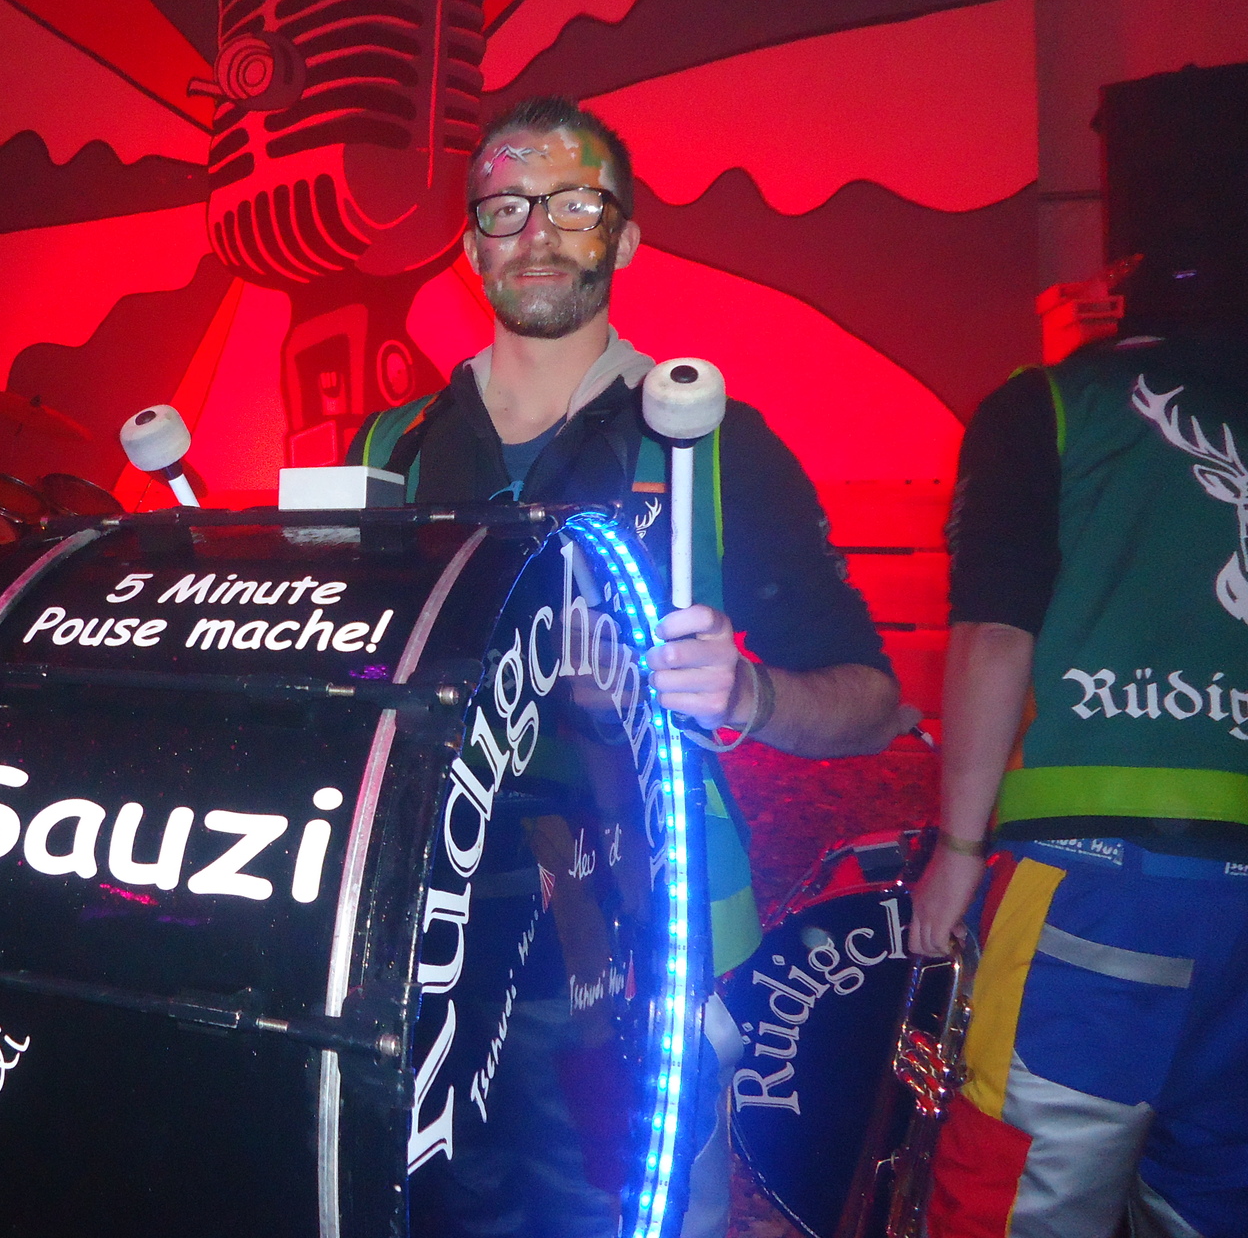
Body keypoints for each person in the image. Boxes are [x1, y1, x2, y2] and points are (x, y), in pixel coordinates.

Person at [348, 95, 913, 1237]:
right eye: (507, 208)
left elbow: (876, 701)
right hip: (426, 937)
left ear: (628, 237)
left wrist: (749, 694)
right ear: (470, 248)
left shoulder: (712, 442)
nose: (538, 231)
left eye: (575, 204)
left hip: (649, 936)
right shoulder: (387, 450)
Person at [907, 267, 1248, 1238]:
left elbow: (995, 634)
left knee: (1015, 1197)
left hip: (1087, 883)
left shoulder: (1050, 405)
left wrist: (958, 851)